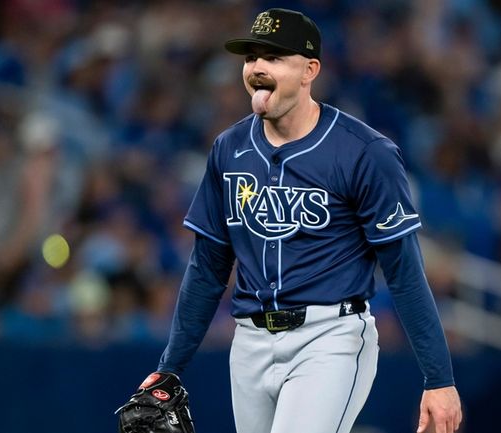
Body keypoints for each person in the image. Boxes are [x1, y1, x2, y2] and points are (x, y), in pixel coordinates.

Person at [128, 8, 462, 433]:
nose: (257, 68)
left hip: (329, 339)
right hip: (248, 342)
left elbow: (404, 270)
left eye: (274, 58)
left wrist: (440, 379)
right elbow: (207, 267)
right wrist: (169, 367)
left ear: (310, 70)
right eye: (251, 58)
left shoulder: (364, 152)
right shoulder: (229, 150)